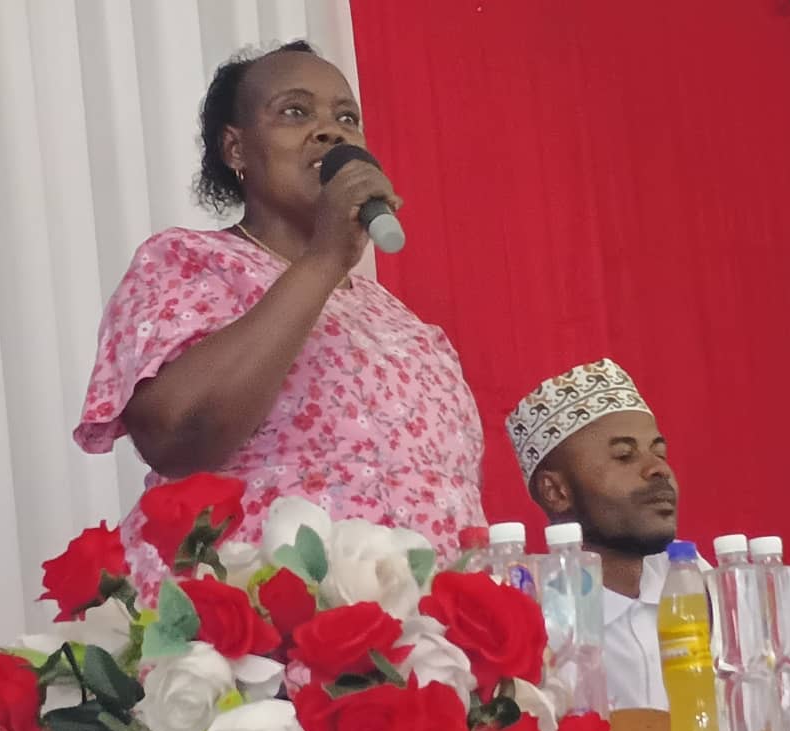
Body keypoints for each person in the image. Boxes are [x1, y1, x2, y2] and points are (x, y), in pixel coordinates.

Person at [74, 41, 485, 599]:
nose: (330, 131)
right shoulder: (187, 263)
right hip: (258, 622)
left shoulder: (401, 322)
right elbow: (175, 435)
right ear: (236, 148)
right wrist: (324, 258)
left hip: (416, 633)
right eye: (295, 111)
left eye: (347, 118)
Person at [506, 358, 790, 731]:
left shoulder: (698, 582)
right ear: (556, 491)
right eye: (624, 456)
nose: (657, 470)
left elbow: (766, 729)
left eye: (659, 453)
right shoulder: (529, 612)